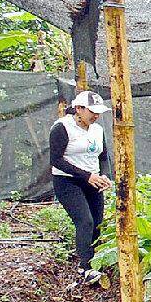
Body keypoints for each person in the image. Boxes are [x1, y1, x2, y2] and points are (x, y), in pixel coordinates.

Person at [49, 90, 112, 285]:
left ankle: (96, 261)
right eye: (92, 111)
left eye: (98, 112)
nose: (96, 116)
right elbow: (56, 160)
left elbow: (103, 157)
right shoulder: (62, 127)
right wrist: (87, 176)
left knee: (97, 223)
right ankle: (86, 267)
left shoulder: (97, 130)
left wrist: (104, 176)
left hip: (93, 180)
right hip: (68, 181)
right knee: (85, 221)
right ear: (79, 109)